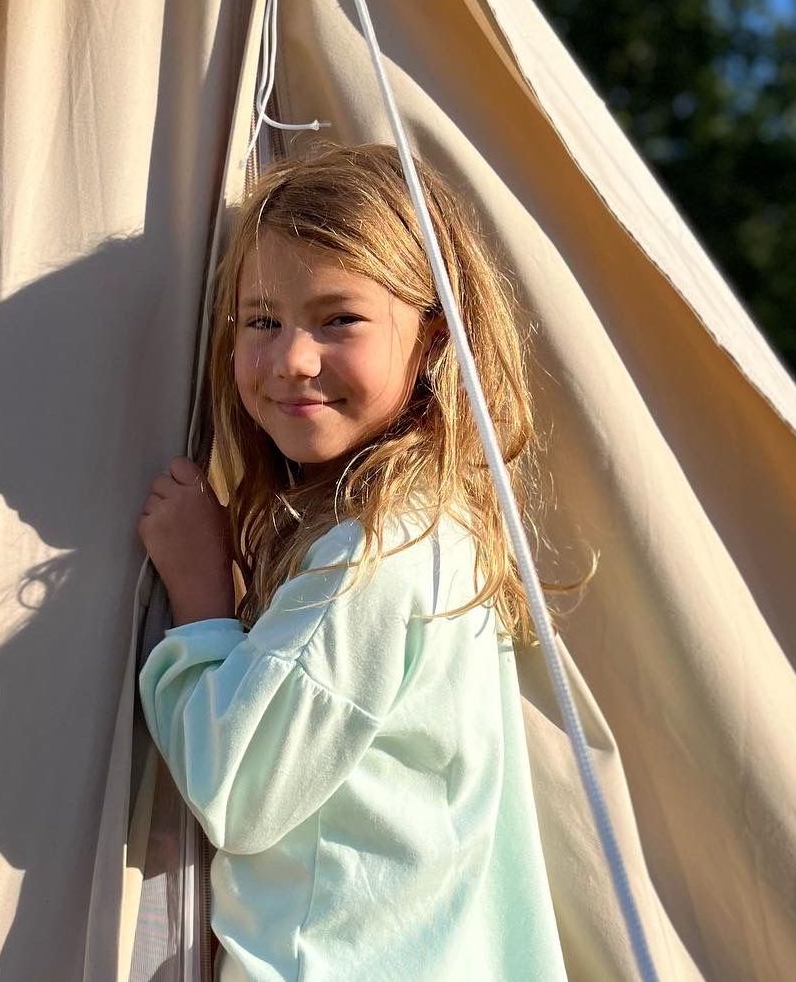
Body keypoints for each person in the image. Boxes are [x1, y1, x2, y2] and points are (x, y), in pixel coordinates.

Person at [135, 144, 571, 980]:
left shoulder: (372, 555)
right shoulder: (442, 530)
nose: (293, 358)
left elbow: (241, 783)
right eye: (261, 321)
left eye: (339, 318)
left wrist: (200, 597)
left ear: (433, 338)